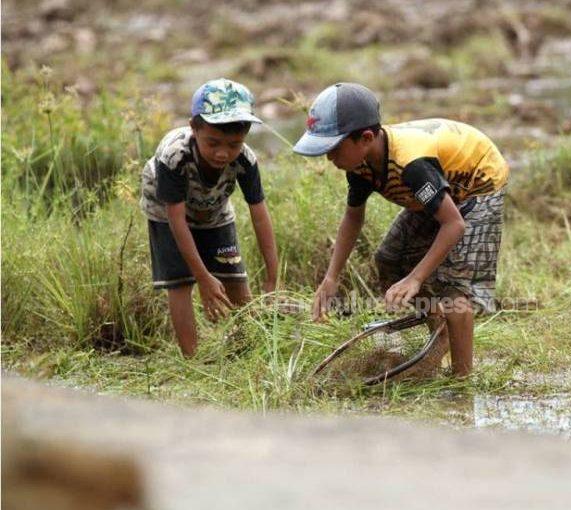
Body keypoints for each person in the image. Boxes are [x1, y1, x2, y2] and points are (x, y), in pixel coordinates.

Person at [293, 82, 508, 376]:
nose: (329, 158)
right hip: (437, 191)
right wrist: (331, 277)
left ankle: (462, 378)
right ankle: (439, 332)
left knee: (454, 289)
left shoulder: (411, 165)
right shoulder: (360, 165)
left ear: (365, 138)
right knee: (389, 259)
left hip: (476, 183)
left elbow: (454, 223)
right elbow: (353, 217)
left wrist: (416, 278)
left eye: (333, 149)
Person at [140, 78, 278, 356]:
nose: (223, 153)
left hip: (214, 211)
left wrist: (273, 277)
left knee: (235, 278)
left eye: (233, 144)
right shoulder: (174, 156)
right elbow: (177, 221)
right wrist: (202, 278)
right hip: (167, 213)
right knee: (180, 283)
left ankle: (247, 349)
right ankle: (193, 359)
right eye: (213, 142)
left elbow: (260, 215)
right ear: (194, 128)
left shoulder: (245, 160)